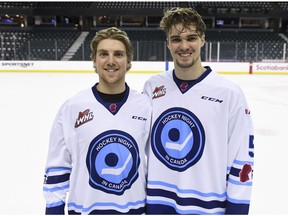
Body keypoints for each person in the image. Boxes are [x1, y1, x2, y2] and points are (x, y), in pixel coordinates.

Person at [143, 7, 254, 214]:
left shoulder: (229, 93)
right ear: (167, 43)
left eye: (191, 38)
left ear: (202, 39)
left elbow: (242, 158)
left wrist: (237, 210)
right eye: (176, 39)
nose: (184, 46)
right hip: (158, 206)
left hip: (208, 208)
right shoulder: (152, 87)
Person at [43, 27, 152, 214]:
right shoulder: (73, 107)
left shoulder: (145, 106)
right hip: (85, 210)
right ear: (94, 60)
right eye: (103, 54)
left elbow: (157, 163)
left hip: (134, 210)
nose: (111, 61)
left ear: (128, 62)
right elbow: (58, 164)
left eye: (118, 54)